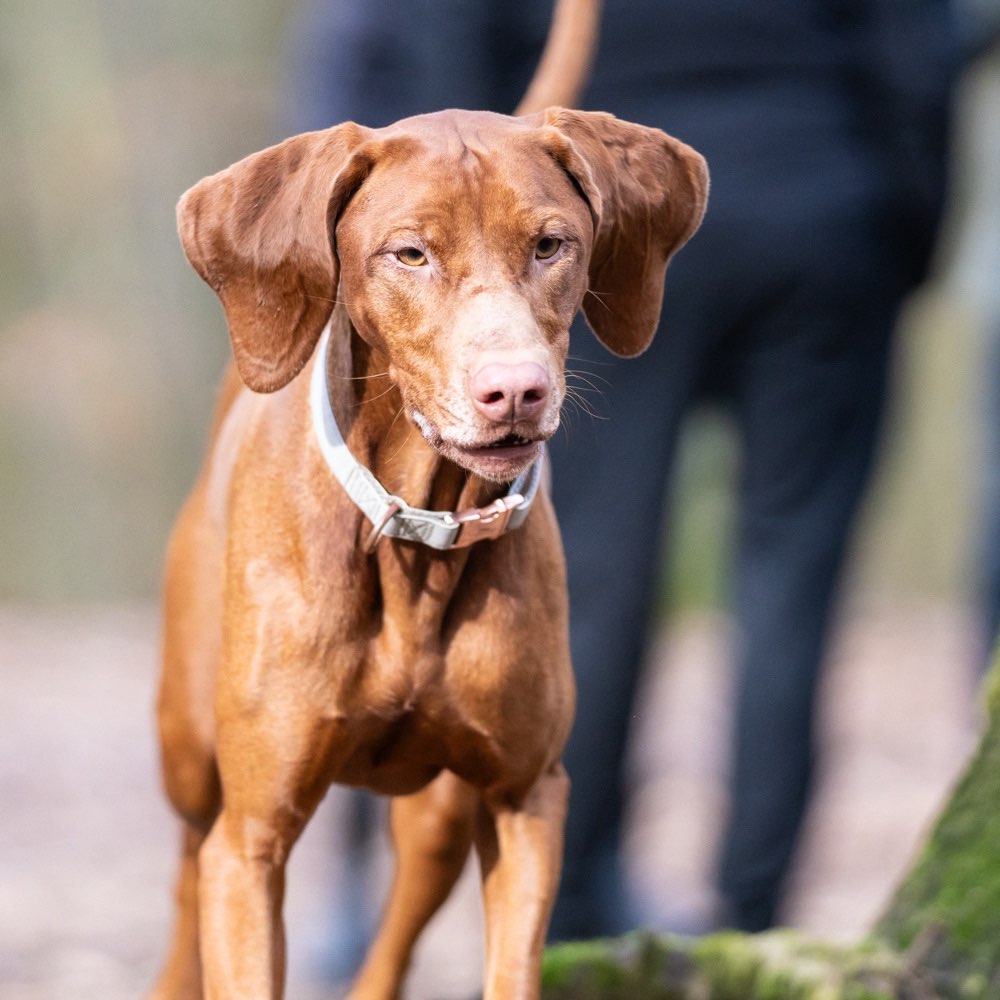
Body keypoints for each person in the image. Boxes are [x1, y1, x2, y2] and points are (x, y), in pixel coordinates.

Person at [283, 0, 957, 944]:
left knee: (596, 575)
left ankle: (574, 913)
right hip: (814, 203)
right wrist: (909, 222)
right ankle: (750, 917)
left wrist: (470, 239)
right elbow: (917, 45)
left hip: (588, 219)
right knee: (793, 586)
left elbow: (450, 44)